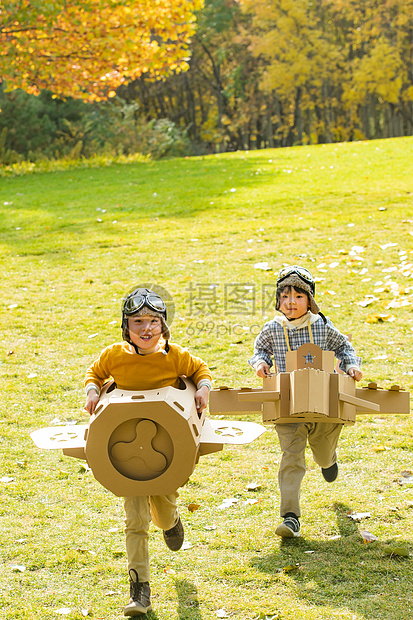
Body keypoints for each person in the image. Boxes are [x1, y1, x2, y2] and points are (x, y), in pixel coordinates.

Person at [84, 287, 212, 616]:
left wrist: (204, 390)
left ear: (163, 325)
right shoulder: (114, 355)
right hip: (125, 452)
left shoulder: (174, 355)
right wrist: (92, 391)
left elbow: (200, 370)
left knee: (163, 506)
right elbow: (95, 373)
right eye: (138, 321)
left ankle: (170, 522)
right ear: (126, 327)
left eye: (153, 321)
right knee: (135, 521)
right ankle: (139, 589)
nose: (146, 328)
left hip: (165, 448)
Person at [248, 266, 362, 539]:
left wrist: (351, 366)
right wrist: (261, 363)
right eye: (285, 296)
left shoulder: (321, 325)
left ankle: (328, 460)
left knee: (321, 451)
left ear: (309, 300)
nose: (291, 302)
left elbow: (345, 347)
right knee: (292, 457)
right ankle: (290, 517)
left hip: (323, 403)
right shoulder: (273, 329)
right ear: (278, 300)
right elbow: (259, 351)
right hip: (288, 405)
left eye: (298, 296)